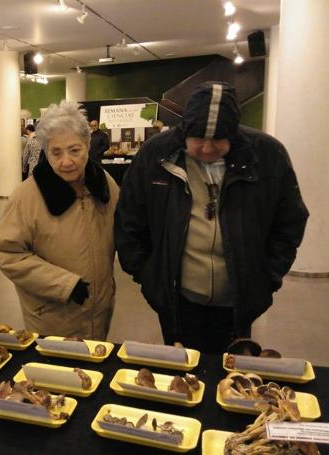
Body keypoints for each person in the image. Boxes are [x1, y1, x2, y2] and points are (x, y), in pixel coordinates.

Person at [115, 82, 309, 354]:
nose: (207, 148)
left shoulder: (267, 155)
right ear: (184, 132)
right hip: (178, 299)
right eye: (197, 138)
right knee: (183, 372)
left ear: (234, 134)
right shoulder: (155, 155)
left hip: (238, 300)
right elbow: (129, 219)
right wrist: (148, 276)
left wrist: (266, 278)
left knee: (230, 375)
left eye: (218, 139)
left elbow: (290, 222)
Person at [0, 101, 119, 338]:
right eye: (56, 152)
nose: (66, 161)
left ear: (88, 146)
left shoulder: (105, 184)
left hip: (100, 312)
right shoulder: (27, 196)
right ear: (45, 151)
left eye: (74, 150)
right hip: (53, 317)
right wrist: (64, 285)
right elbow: (8, 253)